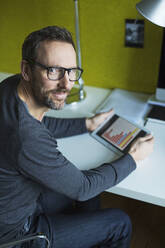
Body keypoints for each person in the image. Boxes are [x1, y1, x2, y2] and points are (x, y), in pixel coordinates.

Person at [0, 26, 154, 248]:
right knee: (119, 223)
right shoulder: (26, 136)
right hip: (18, 233)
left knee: (89, 190)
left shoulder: (11, 88)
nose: (66, 84)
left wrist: (86, 124)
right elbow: (82, 187)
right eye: (53, 71)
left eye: (71, 71)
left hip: (16, 200)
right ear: (27, 70)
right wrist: (133, 158)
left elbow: (38, 123)